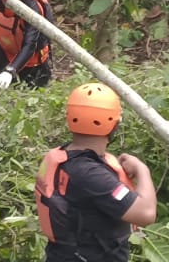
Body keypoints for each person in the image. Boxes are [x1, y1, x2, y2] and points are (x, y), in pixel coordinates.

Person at [36, 83, 157, 262]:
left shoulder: (64, 157)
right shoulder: (89, 175)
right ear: (113, 124)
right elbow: (145, 214)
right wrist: (142, 170)